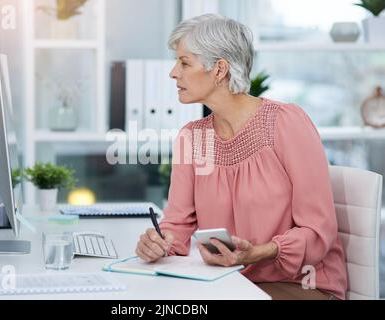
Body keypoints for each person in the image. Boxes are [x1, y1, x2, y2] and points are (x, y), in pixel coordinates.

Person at [135, 14, 347, 300]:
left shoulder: (286, 123)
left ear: (219, 69)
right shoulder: (192, 137)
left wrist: (259, 252)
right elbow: (178, 225)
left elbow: (318, 230)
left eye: (184, 62)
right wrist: (159, 243)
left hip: (301, 286)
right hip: (229, 284)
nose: (174, 72)